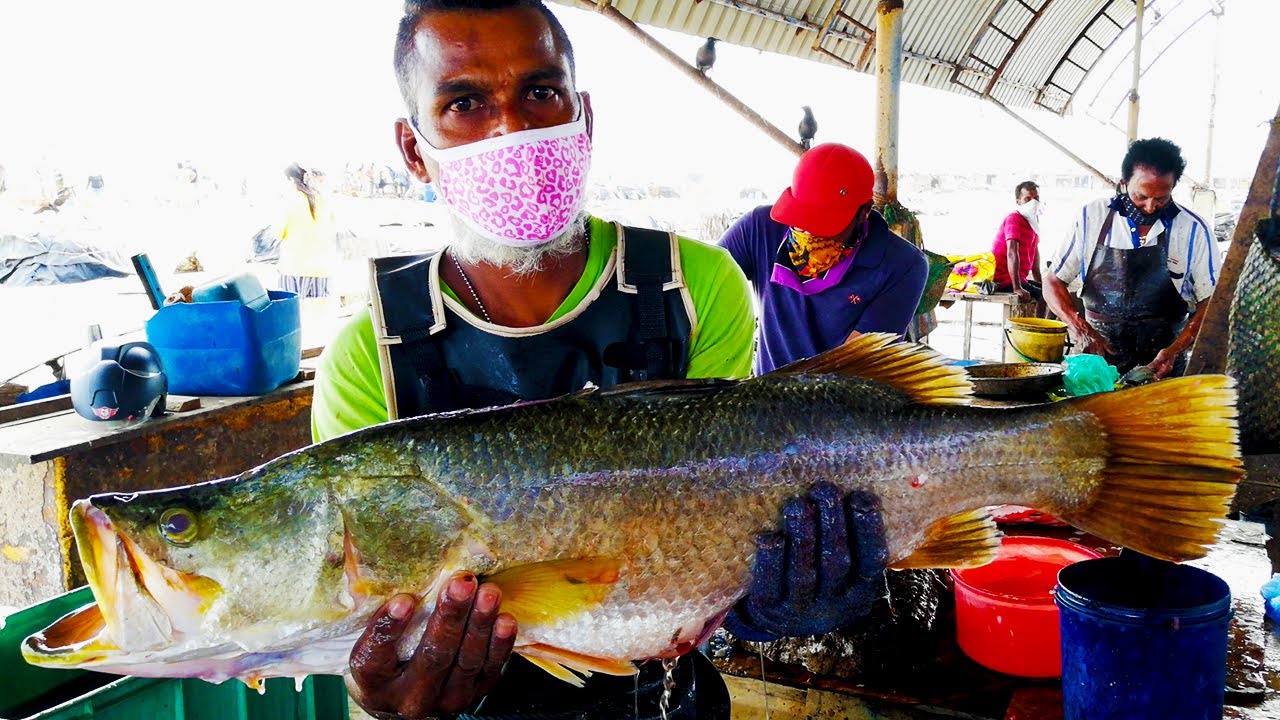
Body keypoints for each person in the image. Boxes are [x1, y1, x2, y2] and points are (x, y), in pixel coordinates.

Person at [310, 3, 890, 719]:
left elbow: (730, 511)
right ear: (413, 147)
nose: (512, 129)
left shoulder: (697, 287)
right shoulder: (369, 352)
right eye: (463, 102)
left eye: (540, 92)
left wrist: (768, 598)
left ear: (583, 116)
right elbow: (355, 620)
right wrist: (381, 695)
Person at [718, 143, 928, 374]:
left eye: (823, 223)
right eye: (801, 217)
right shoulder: (759, 229)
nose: (807, 231)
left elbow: (857, 365)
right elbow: (708, 290)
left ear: (865, 211)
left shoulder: (904, 265)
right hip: (767, 396)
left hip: (843, 399)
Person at [1043, 138, 1219, 377]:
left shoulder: (1194, 229)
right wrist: (1080, 329)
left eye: (1161, 199)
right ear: (1124, 184)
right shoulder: (1090, 217)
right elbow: (1053, 281)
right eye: (1141, 196)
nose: (1150, 207)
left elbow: (1212, 303)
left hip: (1162, 367)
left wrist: (1176, 350)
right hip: (1095, 364)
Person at [277, 163, 336, 299]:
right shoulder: (322, 199)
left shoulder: (290, 200)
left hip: (294, 269)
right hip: (322, 271)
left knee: (294, 316)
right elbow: (332, 229)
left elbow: (278, 233)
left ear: (290, 180)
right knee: (318, 317)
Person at [991, 180, 1045, 316]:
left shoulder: (1032, 221)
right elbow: (1011, 253)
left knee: (1050, 291)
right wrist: (1017, 288)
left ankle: (1041, 326)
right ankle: (1038, 328)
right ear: (1018, 201)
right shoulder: (1014, 218)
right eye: (1027, 199)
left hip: (1018, 279)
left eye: (1036, 198)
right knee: (1046, 297)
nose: (1033, 202)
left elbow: (1035, 254)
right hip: (1003, 279)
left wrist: (1039, 281)